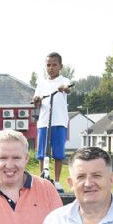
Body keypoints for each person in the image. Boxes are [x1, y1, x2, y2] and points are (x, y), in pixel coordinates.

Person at [32, 51, 71, 193]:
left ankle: (57, 181)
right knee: (42, 153)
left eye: (54, 65)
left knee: (58, 153)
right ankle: (42, 181)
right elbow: (36, 103)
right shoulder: (41, 84)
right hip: (44, 122)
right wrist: (36, 101)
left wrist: (63, 89)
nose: (51, 68)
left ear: (60, 66)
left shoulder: (64, 80)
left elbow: (68, 89)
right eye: (48, 65)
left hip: (59, 121)